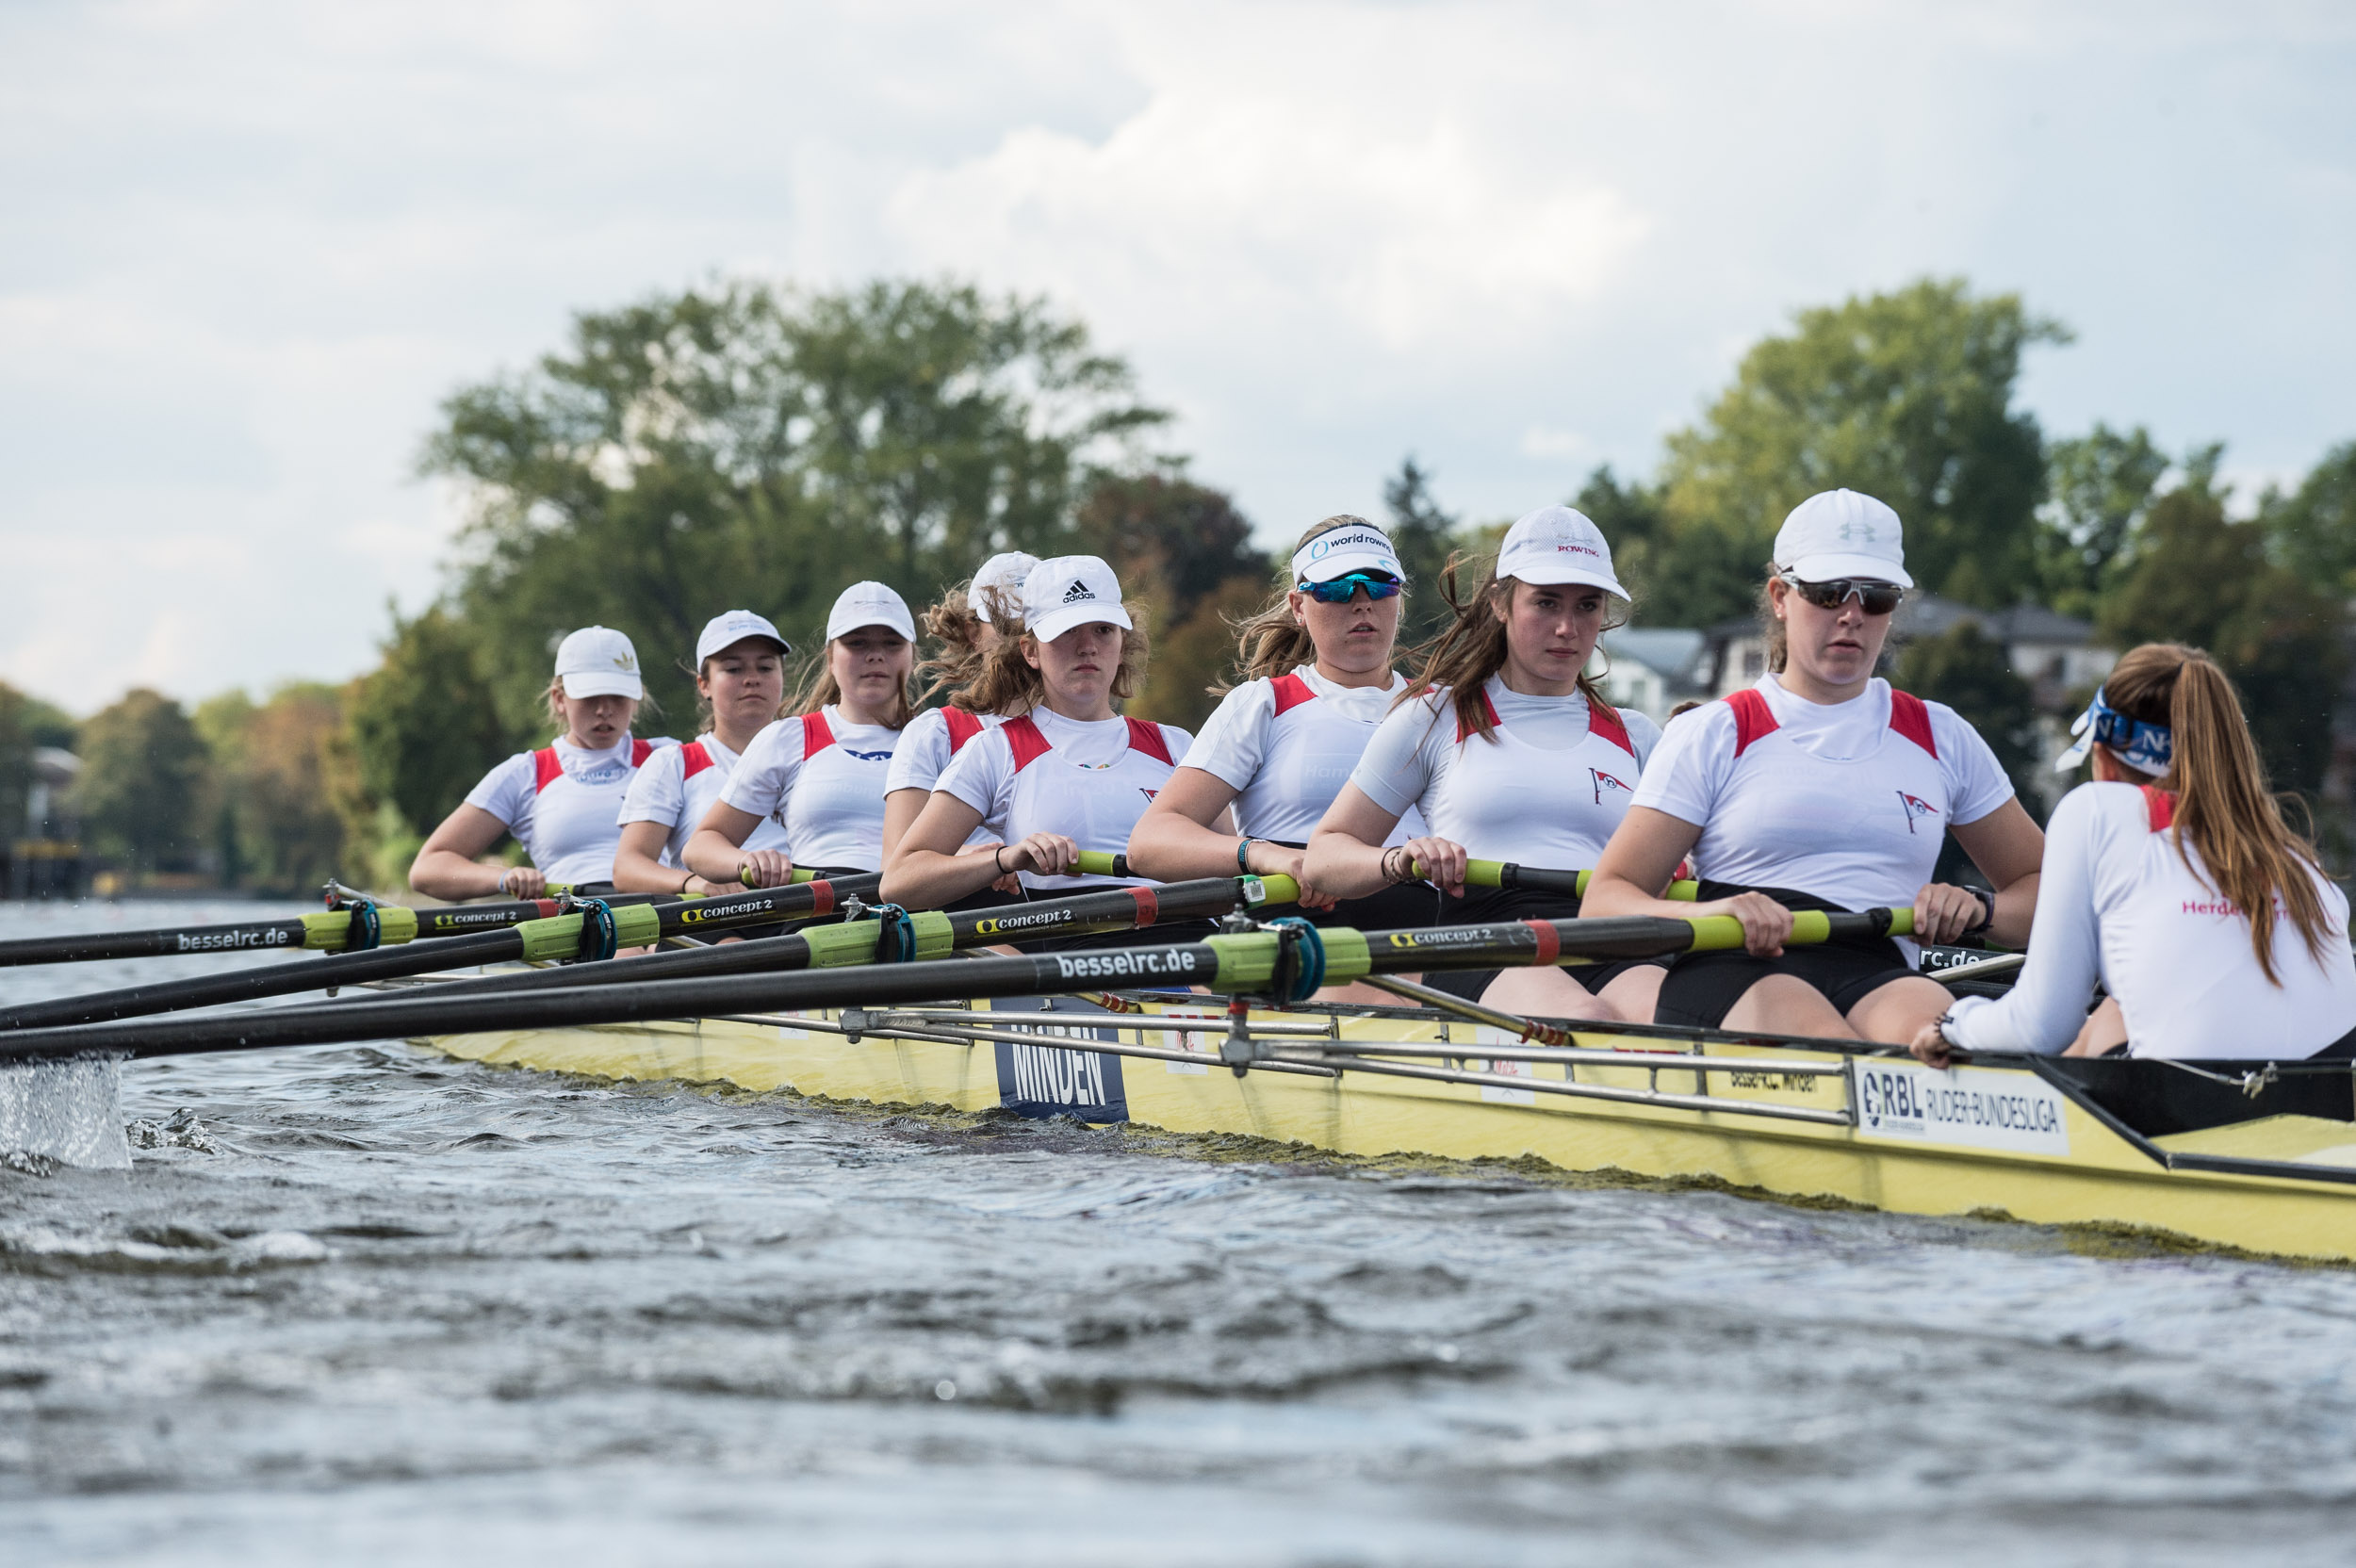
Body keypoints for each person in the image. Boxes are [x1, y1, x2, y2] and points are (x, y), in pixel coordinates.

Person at [1582, 489, 2045, 1044]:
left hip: (1877, 967)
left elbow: (2045, 892)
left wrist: (1979, 909)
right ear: (1780, 596)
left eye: (1876, 597)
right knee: (1850, 1057)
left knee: (1949, 1050)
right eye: (1827, 594)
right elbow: (1604, 904)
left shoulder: (1940, 736)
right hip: (1733, 966)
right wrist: (1715, 914)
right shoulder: (1716, 732)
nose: (1852, 614)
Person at [1913, 644, 2356, 1065]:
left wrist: (1953, 1024)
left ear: (2103, 753)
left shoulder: (2097, 811)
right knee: (2111, 1012)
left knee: (2100, 1020)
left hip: (2200, 1107)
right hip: (2330, 1104)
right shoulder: (2298, 861)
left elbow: (2039, 1027)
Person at [1302, 507, 1663, 1021]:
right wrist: (1399, 861)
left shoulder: (1637, 735)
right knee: (1587, 1022)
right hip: (1485, 937)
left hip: (1610, 934)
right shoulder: (1433, 716)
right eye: (1545, 602)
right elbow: (1324, 857)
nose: (1567, 627)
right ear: (1500, 603)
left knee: (1671, 1021)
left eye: (1587, 606)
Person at [1128, 514, 1432, 933]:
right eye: (1337, 588)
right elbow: (1150, 844)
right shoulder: (1264, 704)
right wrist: (1265, 855)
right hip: (1300, 928)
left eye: (1380, 584)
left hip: (1425, 930)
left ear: (1400, 597)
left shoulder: (1443, 707)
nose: (1362, 602)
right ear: (1298, 607)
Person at [882, 554, 1202, 944]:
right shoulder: (995, 749)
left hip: (1186, 959)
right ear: (1030, 651)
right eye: (1067, 632)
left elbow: (1232, 877)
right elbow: (898, 882)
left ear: (1123, 644)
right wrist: (1004, 858)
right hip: (1069, 979)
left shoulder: (1176, 745)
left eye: (1103, 629)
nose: (1087, 647)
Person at [412, 626, 676, 901]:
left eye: (618, 696)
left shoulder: (669, 758)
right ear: (560, 700)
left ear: (636, 699)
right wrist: (503, 877)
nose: (604, 709)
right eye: (590, 697)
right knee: (627, 948)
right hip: (577, 925)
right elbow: (428, 869)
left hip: (664, 915)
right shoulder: (525, 774)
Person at [682, 582, 915, 885]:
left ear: (913, 655)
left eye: (892, 643)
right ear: (830, 658)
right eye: (857, 643)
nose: (875, 656)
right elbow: (700, 846)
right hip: (817, 912)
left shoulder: (937, 739)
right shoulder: (790, 738)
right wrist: (746, 859)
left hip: (914, 915)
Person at [611, 611, 793, 895]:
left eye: (765, 668)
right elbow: (627, 868)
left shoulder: (811, 754)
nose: (752, 679)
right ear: (704, 684)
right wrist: (693, 883)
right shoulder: (674, 764)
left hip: (801, 918)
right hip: (711, 927)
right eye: (733, 669)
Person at [880, 550, 1039, 865]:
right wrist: (994, 859)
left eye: (1034, 623)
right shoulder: (936, 734)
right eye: (1006, 625)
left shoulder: (1091, 731)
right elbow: (895, 863)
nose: (1021, 638)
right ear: (973, 634)